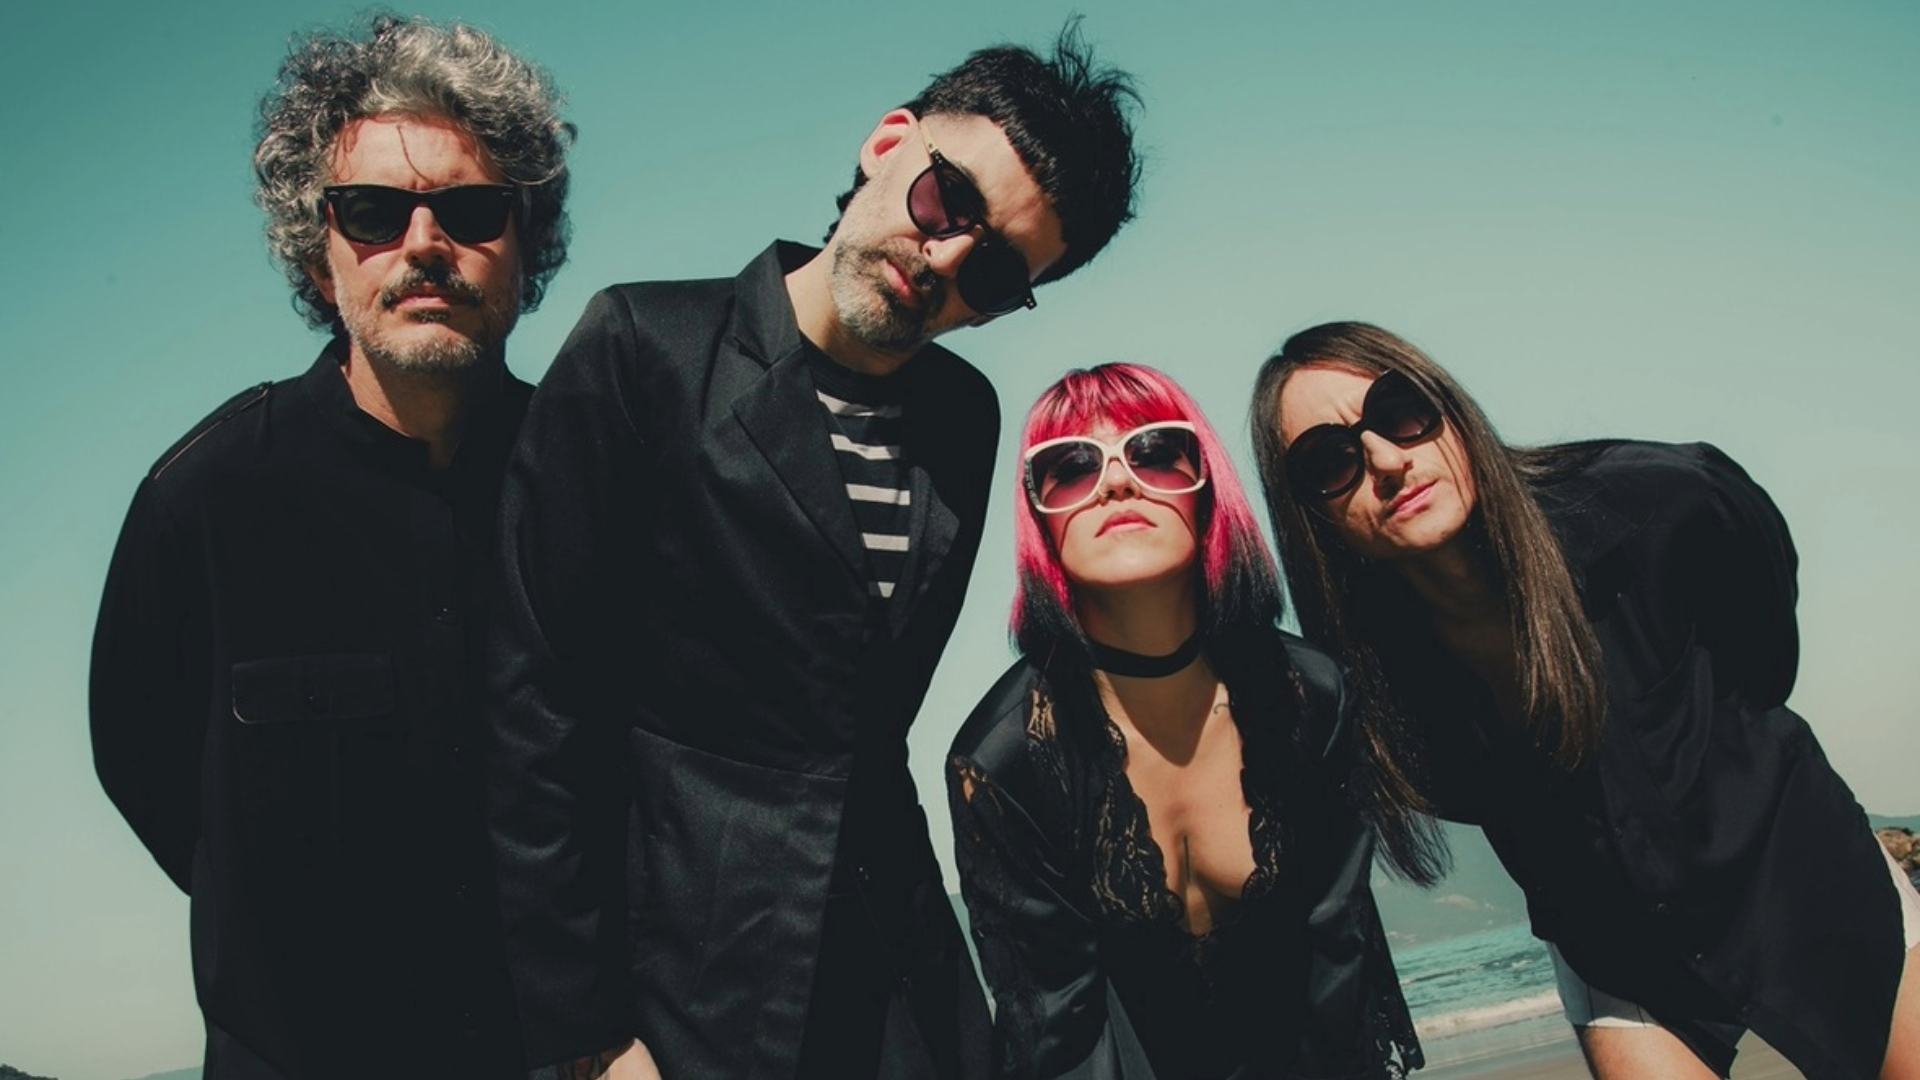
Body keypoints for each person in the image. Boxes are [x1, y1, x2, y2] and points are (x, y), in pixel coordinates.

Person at [486, 24, 1142, 1080]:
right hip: (684, 979)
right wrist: (591, 1037)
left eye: (999, 271)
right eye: (947, 202)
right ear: (889, 143)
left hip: (903, 973)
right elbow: (534, 711)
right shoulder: (644, 350)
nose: (946, 259)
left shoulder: (963, 417)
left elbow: (874, 725)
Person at [88, 16, 572, 1078]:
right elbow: (144, 769)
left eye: (473, 208)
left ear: (528, 241)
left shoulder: (594, 485)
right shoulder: (202, 502)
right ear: (319, 246)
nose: (424, 243)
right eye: (372, 211)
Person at [1250, 321, 1920, 1080]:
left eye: (1401, 413)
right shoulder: (1368, 686)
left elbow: (1763, 627)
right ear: (1314, 517)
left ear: (1452, 415)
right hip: (1618, 948)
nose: (1385, 459)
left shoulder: (1651, 503)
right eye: (1329, 461)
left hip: (1795, 869)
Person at [947, 364, 1422, 1080]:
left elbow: (1338, 961)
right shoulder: (1004, 761)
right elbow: (1058, 1033)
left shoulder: (1311, 697)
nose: (1115, 482)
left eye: (1156, 451)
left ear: (1207, 487)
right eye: (1069, 467)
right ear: (1038, 517)